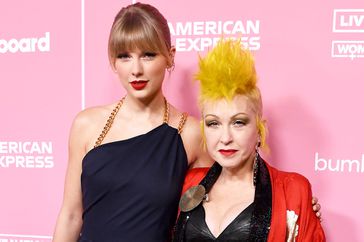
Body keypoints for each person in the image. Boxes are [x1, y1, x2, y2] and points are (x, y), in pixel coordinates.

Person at [53, 3, 322, 242]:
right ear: (113, 61)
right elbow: (71, 216)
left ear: (170, 55)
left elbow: (229, 190)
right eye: (124, 56)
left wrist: (294, 204)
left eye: (148, 54)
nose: (136, 69)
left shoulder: (192, 133)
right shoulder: (86, 125)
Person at [173, 39, 326, 241]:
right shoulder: (189, 183)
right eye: (213, 124)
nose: (225, 138)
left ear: (259, 129)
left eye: (238, 122)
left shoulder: (293, 191)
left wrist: (302, 207)